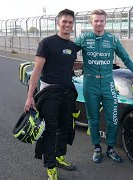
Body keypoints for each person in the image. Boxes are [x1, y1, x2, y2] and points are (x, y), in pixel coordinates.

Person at [75, 9, 133, 163]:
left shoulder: (112, 40)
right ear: (91, 22)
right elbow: (67, 52)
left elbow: (126, 58)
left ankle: (110, 148)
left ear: (105, 22)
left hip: (108, 83)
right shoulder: (83, 38)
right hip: (90, 84)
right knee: (93, 119)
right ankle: (97, 147)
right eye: (96, 21)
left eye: (101, 20)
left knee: (113, 119)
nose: (99, 23)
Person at [24, 9, 82, 180]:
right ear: (58, 22)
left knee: (65, 127)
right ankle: (50, 167)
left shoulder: (72, 46)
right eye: (64, 21)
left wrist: (92, 65)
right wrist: (30, 96)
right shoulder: (47, 43)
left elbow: (68, 65)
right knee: (50, 130)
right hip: (49, 92)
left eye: (70, 22)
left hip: (67, 92)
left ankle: (59, 156)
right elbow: (37, 70)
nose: (67, 25)